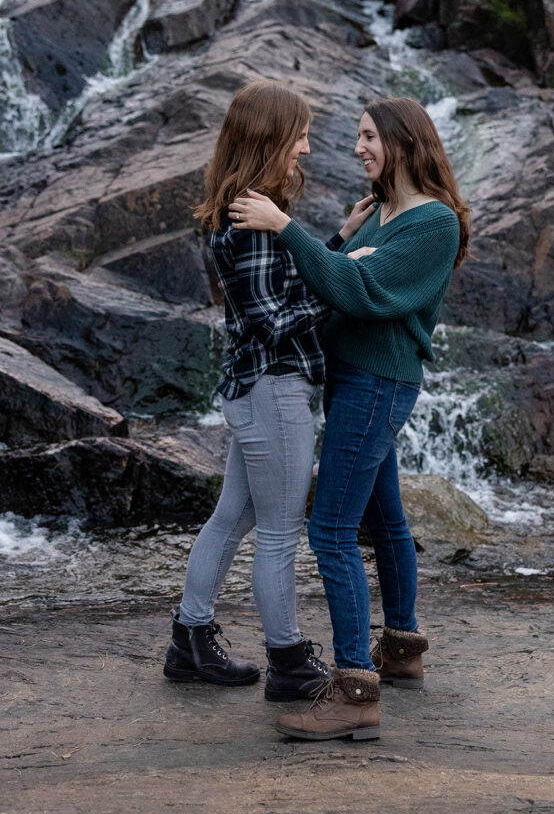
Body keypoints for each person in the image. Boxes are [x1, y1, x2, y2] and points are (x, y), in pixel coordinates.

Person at [229, 96, 471, 740]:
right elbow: (333, 275)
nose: (358, 147)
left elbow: (358, 291)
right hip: (354, 380)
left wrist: (286, 228)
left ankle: (355, 689)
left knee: (331, 531)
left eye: (368, 137)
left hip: (375, 382)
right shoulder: (379, 213)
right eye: (357, 137)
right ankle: (402, 650)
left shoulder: (432, 224)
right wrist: (338, 241)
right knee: (386, 518)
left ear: (402, 140)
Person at [163, 80, 375, 702]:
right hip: (275, 390)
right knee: (280, 532)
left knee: (235, 516)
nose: (306, 149)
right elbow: (273, 320)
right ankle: (288, 661)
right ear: (268, 140)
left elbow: (274, 297)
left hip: (255, 389)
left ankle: (190, 639)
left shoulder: (248, 209)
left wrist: (332, 243)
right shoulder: (254, 220)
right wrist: (347, 274)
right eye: (299, 136)